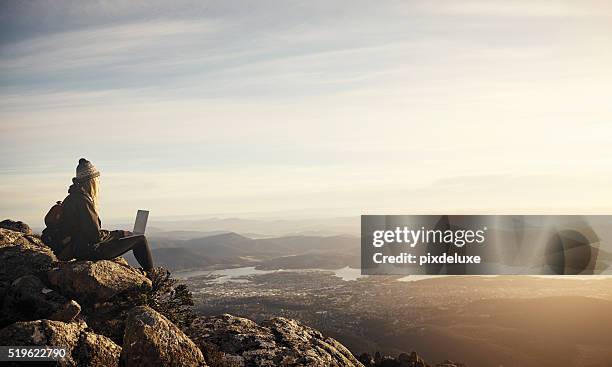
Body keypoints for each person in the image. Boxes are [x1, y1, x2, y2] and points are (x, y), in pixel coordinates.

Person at [59, 158, 154, 271]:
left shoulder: (70, 198)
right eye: (97, 180)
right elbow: (95, 236)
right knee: (140, 239)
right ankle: (152, 275)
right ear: (92, 181)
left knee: (127, 235)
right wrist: (115, 234)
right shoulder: (83, 201)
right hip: (89, 251)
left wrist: (119, 234)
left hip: (78, 249)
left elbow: (87, 231)